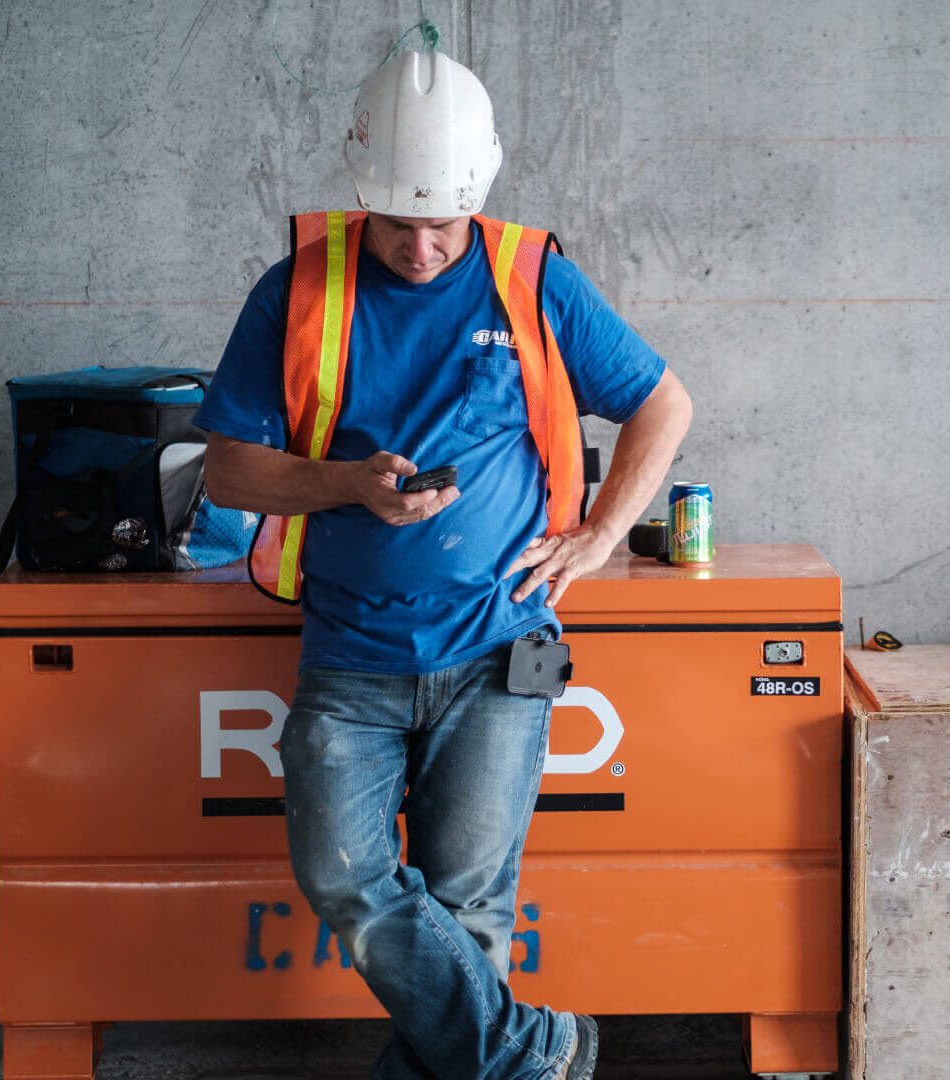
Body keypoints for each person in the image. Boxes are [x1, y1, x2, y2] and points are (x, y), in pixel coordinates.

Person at [196, 45, 691, 1080]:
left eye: (443, 224)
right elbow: (231, 474)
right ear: (361, 191)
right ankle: (531, 1049)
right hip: (351, 654)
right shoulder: (296, 291)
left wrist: (599, 537)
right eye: (400, 223)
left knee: (467, 909)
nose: (423, 248)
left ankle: (501, 1057)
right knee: (343, 879)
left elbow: (661, 402)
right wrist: (348, 486)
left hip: (500, 652)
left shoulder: (531, 280)